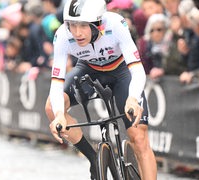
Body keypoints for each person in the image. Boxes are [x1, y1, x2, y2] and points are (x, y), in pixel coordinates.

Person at [44, 0, 157, 179]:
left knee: (139, 138)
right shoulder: (63, 35)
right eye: (72, 25)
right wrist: (59, 114)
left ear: (98, 24)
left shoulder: (116, 24)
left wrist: (133, 98)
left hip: (121, 72)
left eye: (83, 26)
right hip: (89, 69)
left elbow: (137, 69)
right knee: (52, 107)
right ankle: (93, 157)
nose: (77, 32)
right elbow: (57, 81)